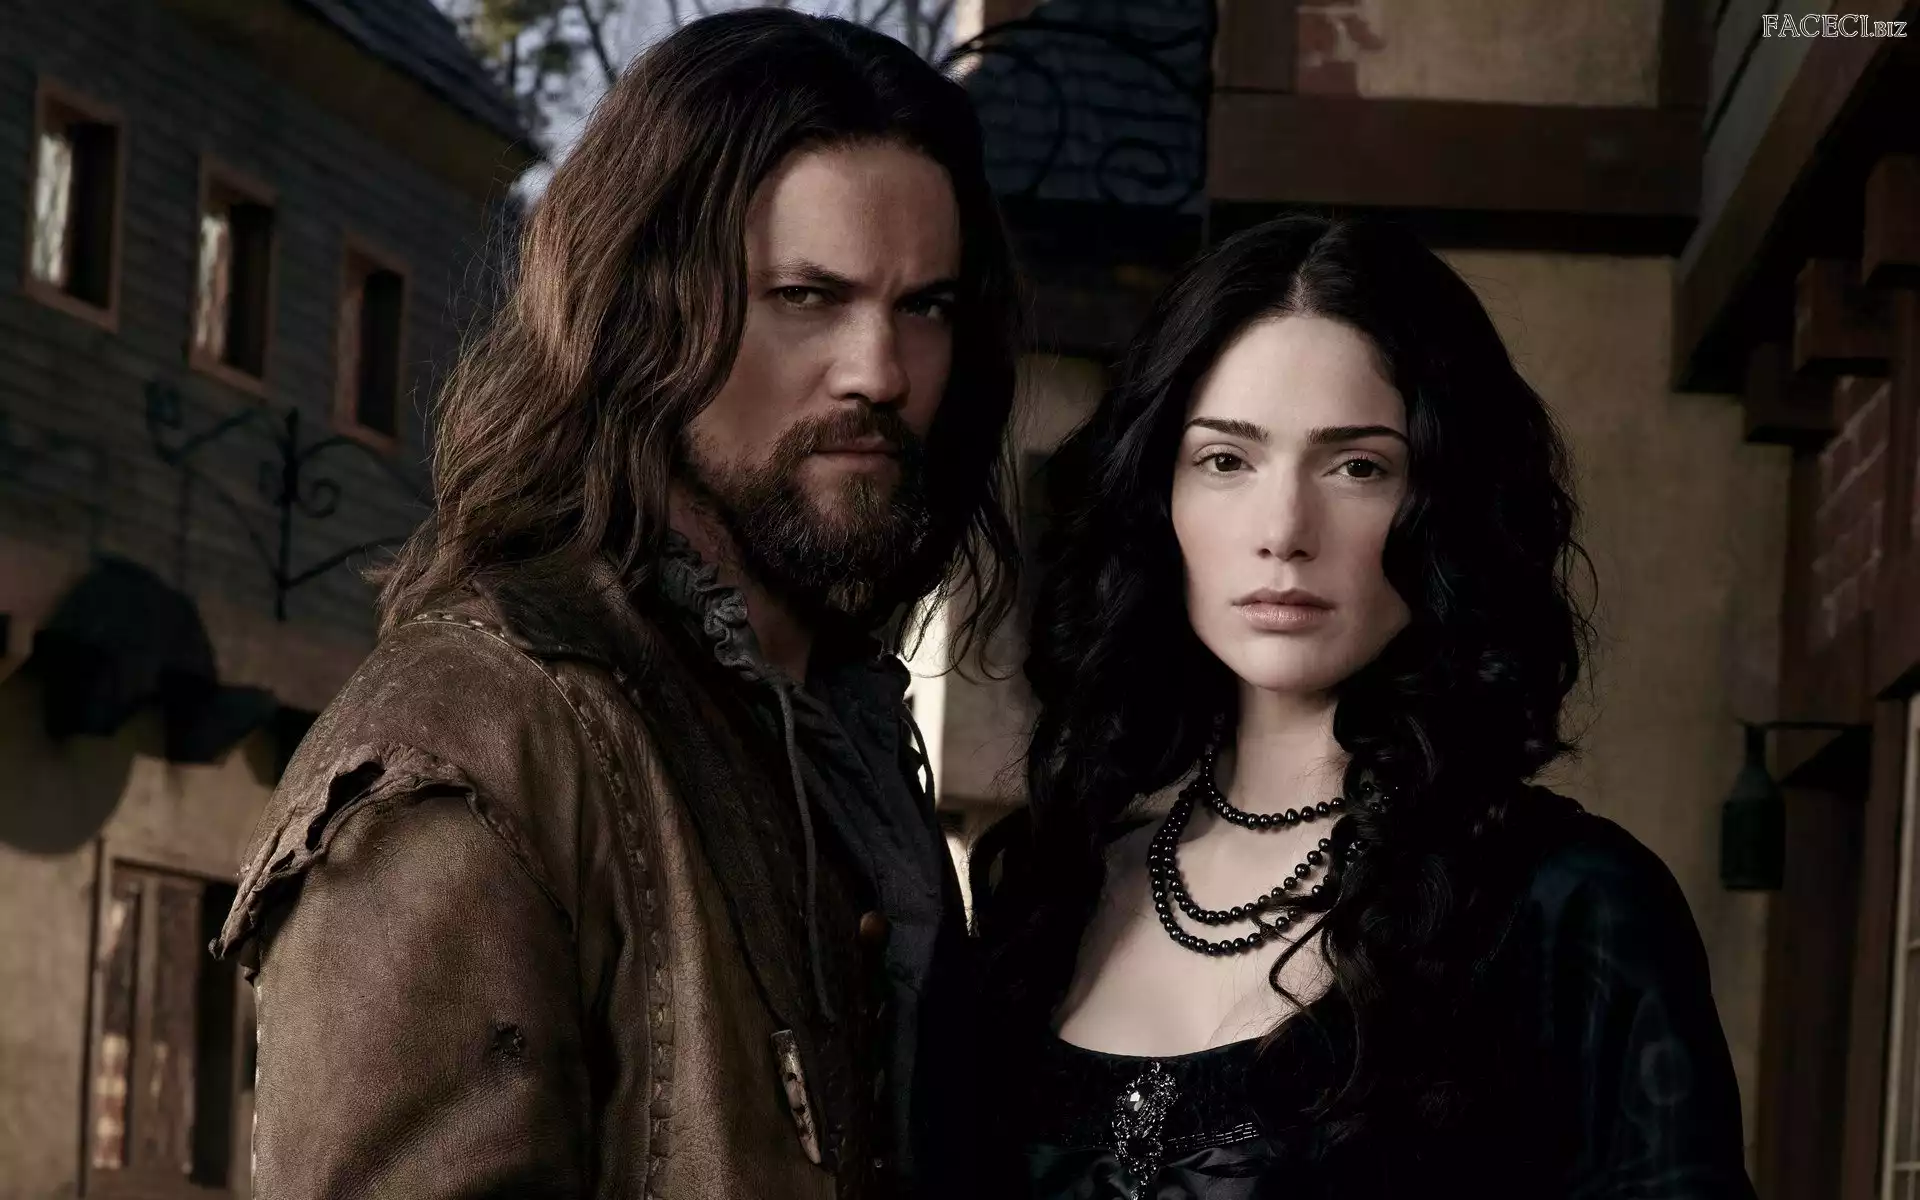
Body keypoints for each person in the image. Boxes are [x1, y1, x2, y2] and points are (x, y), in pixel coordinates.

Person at [210, 10, 1020, 1198]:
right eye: (806, 296)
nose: (880, 372)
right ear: (644, 316)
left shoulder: (842, 726)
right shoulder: (472, 745)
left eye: (925, 307)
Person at [971, 215, 1757, 1198]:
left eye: (1358, 467)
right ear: (1156, 497)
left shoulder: (1571, 909)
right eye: (1226, 460)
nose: (1284, 530)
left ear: (1445, 505)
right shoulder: (1047, 896)